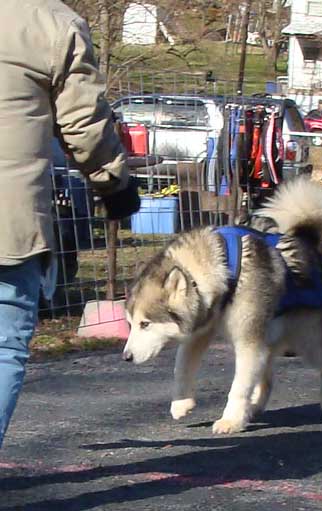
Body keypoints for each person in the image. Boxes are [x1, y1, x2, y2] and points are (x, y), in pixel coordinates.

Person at [0, 0, 140, 448]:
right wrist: (114, 185)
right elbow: (83, 124)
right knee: (2, 348)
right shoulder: (51, 22)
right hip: (9, 224)